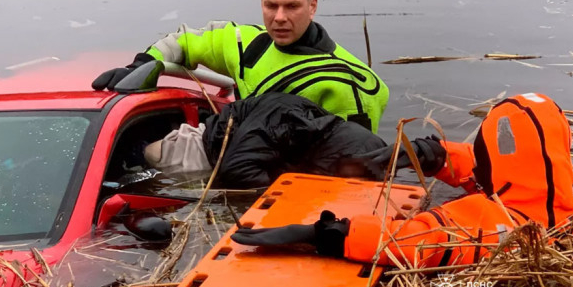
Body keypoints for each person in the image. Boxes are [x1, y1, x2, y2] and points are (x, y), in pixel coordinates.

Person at [231, 93, 573, 267]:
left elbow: (410, 240)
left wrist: (321, 234)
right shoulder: (561, 206)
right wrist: (434, 154)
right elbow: (503, 171)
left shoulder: (491, 225)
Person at [91, 0, 389, 133]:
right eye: (271, 5)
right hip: (243, 149)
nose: (280, 18)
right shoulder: (244, 43)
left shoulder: (351, 84)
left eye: (291, 7)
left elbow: (353, 163)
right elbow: (182, 43)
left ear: (312, 6)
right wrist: (141, 64)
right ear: (261, 2)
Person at [143, 92, 405, 189]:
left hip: (244, 149)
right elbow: (235, 171)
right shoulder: (282, 120)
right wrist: (288, 190)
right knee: (152, 155)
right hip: (202, 152)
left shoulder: (321, 138)